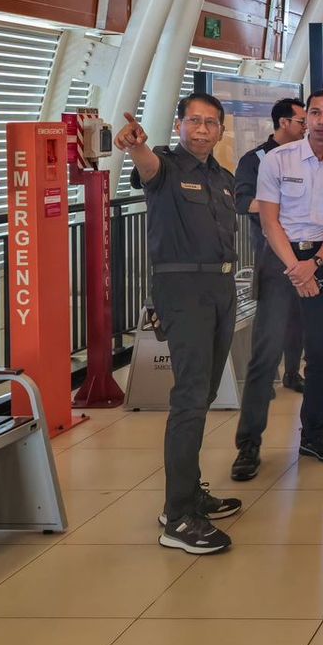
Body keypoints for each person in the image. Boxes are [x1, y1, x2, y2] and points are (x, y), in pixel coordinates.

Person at [114, 92, 242, 555]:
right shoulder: (165, 166)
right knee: (189, 397)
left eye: (210, 123)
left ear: (220, 130)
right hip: (184, 291)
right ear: (179, 125)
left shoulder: (222, 178)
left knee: (203, 394)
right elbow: (146, 165)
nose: (202, 129)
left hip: (222, 288)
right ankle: (179, 517)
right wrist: (135, 145)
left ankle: (188, 493)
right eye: (193, 121)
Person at [231, 89, 323, 481]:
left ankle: (315, 436)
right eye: (314, 113)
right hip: (279, 259)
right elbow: (269, 221)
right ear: (307, 119)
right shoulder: (277, 160)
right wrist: (295, 268)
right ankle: (248, 445)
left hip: (319, 260)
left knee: (319, 355)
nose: (321, 120)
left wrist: (313, 264)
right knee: (265, 356)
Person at [233, 97, 307, 394]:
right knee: (271, 316)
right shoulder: (255, 160)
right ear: (284, 123)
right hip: (270, 251)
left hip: (304, 248)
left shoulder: (307, 156)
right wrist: (278, 205)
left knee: (298, 314)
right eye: (302, 121)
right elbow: (241, 202)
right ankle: (263, 377)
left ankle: (292, 372)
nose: (307, 127)